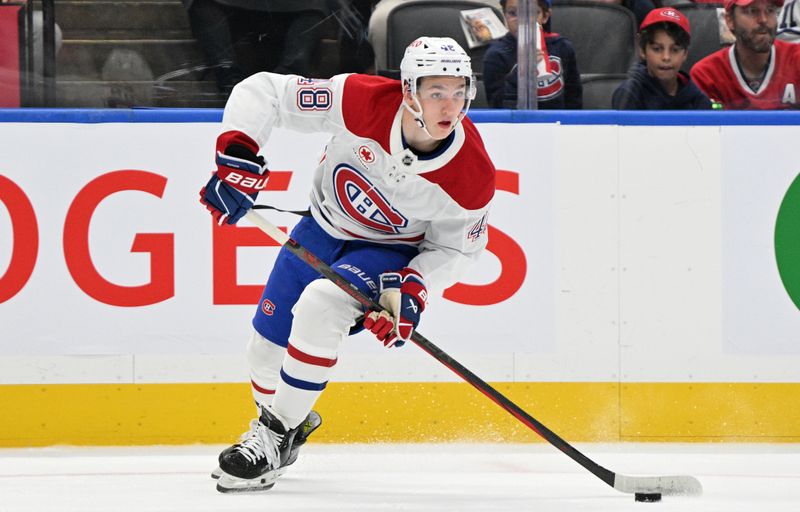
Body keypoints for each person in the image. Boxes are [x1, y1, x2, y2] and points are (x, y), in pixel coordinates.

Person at [198, 36, 496, 493]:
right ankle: (286, 429)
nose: (449, 105)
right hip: (319, 229)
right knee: (263, 351)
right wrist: (238, 153)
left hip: (384, 254)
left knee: (322, 305)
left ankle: (273, 437)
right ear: (409, 90)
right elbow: (264, 92)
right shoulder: (361, 99)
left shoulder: (471, 173)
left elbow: (457, 250)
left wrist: (412, 289)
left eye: (459, 92)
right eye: (437, 91)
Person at [690, 0, 800, 109]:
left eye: (770, 10)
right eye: (752, 11)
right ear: (729, 20)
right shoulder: (707, 75)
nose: (764, 19)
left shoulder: (797, 59)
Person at [483, 0, 582, 109]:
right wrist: (519, 74)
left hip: (558, 123)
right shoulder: (496, 55)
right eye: (513, 13)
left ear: (545, 16)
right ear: (505, 15)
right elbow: (498, 107)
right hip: (516, 123)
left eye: (532, 13)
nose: (522, 20)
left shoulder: (562, 47)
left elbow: (574, 98)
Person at [612, 8, 712, 109]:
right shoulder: (629, 94)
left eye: (675, 50)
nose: (666, 57)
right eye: (657, 49)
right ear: (642, 50)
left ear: (685, 53)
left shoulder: (698, 100)